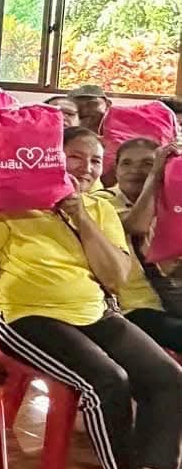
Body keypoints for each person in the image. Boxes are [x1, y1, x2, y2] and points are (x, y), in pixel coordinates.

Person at [0, 126, 182, 469]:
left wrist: (81, 217)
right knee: (107, 380)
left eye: (95, 161)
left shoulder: (99, 208)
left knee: (168, 377)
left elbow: (114, 277)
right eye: (74, 157)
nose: (86, 168)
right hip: (23, 317)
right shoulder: (11, 207)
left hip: (94, 313)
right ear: (49, 160)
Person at [101, 138, 182, 356]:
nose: (135, 170)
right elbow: (137, 225)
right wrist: (155, 176)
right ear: (116, 170)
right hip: (133, 307)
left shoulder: (172, 202)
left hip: (172, 298)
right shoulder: (101, 201)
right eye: (126, 163)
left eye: (147, 163)